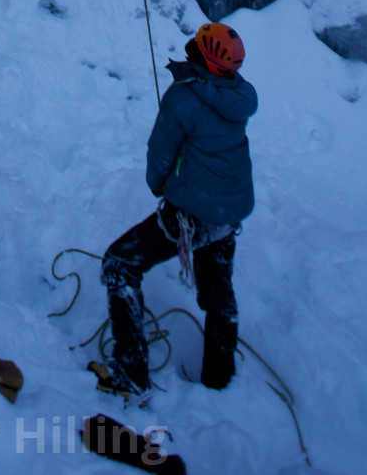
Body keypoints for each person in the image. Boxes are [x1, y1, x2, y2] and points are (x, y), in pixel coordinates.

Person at [93, 21, 257, 398]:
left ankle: (131, 373)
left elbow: (161, 152)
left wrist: (158, 186)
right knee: (218, 295)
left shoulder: (183, 97)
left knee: (120, 263)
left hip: (192, 217)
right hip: (227, 215)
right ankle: (220, 380)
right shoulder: (240, 93)